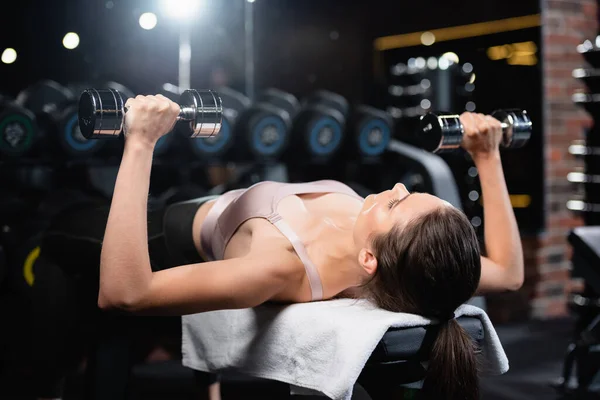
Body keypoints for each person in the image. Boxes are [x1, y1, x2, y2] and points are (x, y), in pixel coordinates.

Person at [43, 94, 523, 400]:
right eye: (409, 193)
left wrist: (141, 141)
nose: (396, 187)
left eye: (397, 205)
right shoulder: (426, 264)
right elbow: (507, 270)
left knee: (55, 230)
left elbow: (126, 291)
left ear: (370, 260)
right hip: (206, 201)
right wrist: (486, 155)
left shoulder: (280, 266)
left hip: (164, 233)